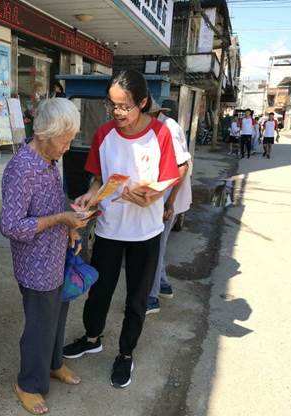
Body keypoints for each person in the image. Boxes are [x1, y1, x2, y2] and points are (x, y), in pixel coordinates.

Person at [62, 70, 179, 388]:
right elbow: (99, 178)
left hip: (146, 232)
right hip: (110, 229)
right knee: (99, 291)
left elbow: (170, 175)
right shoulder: (104, 134)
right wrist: (91, 194)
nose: (117, 113)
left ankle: (125, 354)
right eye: (112, 105)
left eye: (125, 106)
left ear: (142, 103)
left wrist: (151, 195)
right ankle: (91, 337)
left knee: (137, 300)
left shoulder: (160, 134)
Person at [0, 98, 89, 415]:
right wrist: (59, 220)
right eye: (65, 141)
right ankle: (28, 384)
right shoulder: (21, 168)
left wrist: (71, 223)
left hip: (57, 255)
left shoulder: (48, 162)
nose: (67, 148)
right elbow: (10, 225)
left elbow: (52, 203)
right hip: (36, 265)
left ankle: (53, 364)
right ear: (46, 135)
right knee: (39, 325)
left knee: (58, 315)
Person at [145, 99, 192, 315]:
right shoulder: (161, 126)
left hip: (168, 199)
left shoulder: (168, 129)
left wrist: (169, 203)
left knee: (156, 247)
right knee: (159, 245)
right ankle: (162, 284)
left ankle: (151, 297)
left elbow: (181, 168)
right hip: (164, 196)